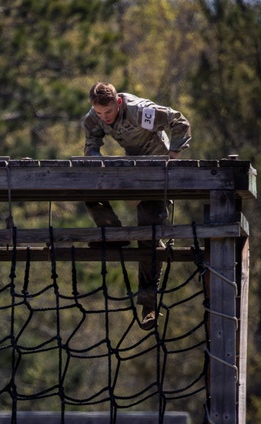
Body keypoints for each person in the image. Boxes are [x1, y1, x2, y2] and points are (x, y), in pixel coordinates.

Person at [81, 81, 192, 330]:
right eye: (99, 113)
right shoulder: (94, 118)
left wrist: (172, 158)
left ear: (118, 103)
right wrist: (96, 161)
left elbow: (180, 122)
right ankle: (112, 233)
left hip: (157, 168)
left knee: (148, 235)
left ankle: (148, 305)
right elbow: (91, 142)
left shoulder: (139, 111)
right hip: (132, 166)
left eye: (108, 112)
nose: (104, 118)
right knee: (87, 188)